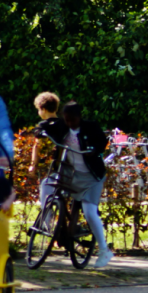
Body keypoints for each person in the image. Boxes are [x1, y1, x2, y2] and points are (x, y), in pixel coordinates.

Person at [49, 101, 115, 268]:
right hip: (70, 173)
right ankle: (47, 221)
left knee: (89, 211)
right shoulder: (62, 126)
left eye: (72, 120)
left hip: (91, 176)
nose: (69, 123)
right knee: (47, 185)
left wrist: (94, 150)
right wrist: (40, 131)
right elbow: (47, 126)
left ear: (79, 117)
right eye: (67, 120)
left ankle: (104, 250)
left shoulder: (91, 127)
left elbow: (102, 143)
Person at [30, 91, 61, 205]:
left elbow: (37, 145)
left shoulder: (43, 126)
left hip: (53, 167)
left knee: (45, 185)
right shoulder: (65, 124)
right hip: (69, 167)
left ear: (43, 109)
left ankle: (46, 219)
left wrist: (33, 165)